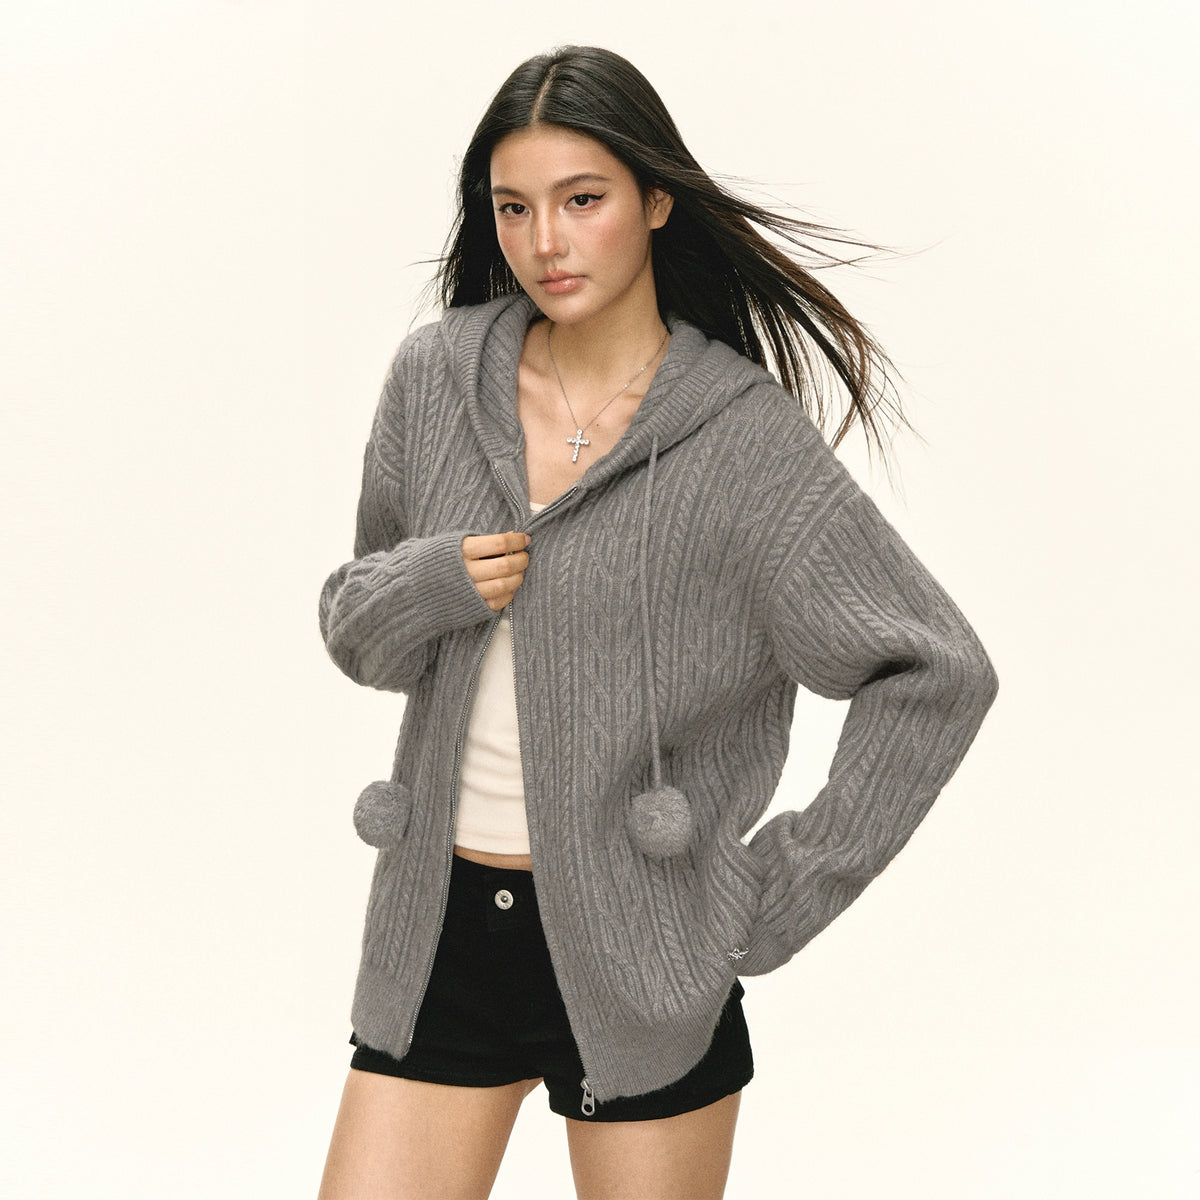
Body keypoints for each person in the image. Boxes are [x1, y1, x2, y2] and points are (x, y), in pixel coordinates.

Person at [315, 45, 998, 1200]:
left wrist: (775, 893)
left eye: (582, 200)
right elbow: (358, 632)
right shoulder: (434, 379)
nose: (546, 241)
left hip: (646, 956)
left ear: (655, 200)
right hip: (438, 938)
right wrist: (432, 583)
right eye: (514, 208)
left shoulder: (742, 441)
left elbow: (936, 671)